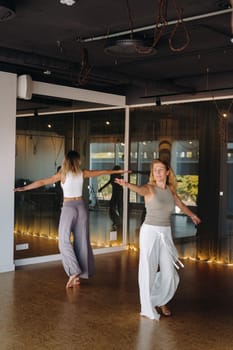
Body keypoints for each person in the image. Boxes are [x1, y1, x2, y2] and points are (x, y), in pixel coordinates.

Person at [14, 150, 130, 289]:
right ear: (76, 160)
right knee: (82, 241)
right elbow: (102, 172)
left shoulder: (62, 175)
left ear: (66, 161)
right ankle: (78, 275)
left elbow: (42, 181)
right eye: (79, 160)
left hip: (69, 207)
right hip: (81, 207)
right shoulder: (83, 173)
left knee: (63, 240)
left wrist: (24, 188)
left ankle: (74, 272)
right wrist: (121, 171)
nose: (80, 162)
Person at [115, 158, 201, 320]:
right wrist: (126, 184)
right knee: (148, 269)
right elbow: (139, 190)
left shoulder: (170, 190)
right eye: (155, 170)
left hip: (165, 232)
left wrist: (192, 215)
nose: (158, 173)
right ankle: (148, 306)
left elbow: (181, 205)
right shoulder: (150, 188)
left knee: (170, 273)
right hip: (150, 232)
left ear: (168, 172)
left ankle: (161, 299)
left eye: (161, 170)